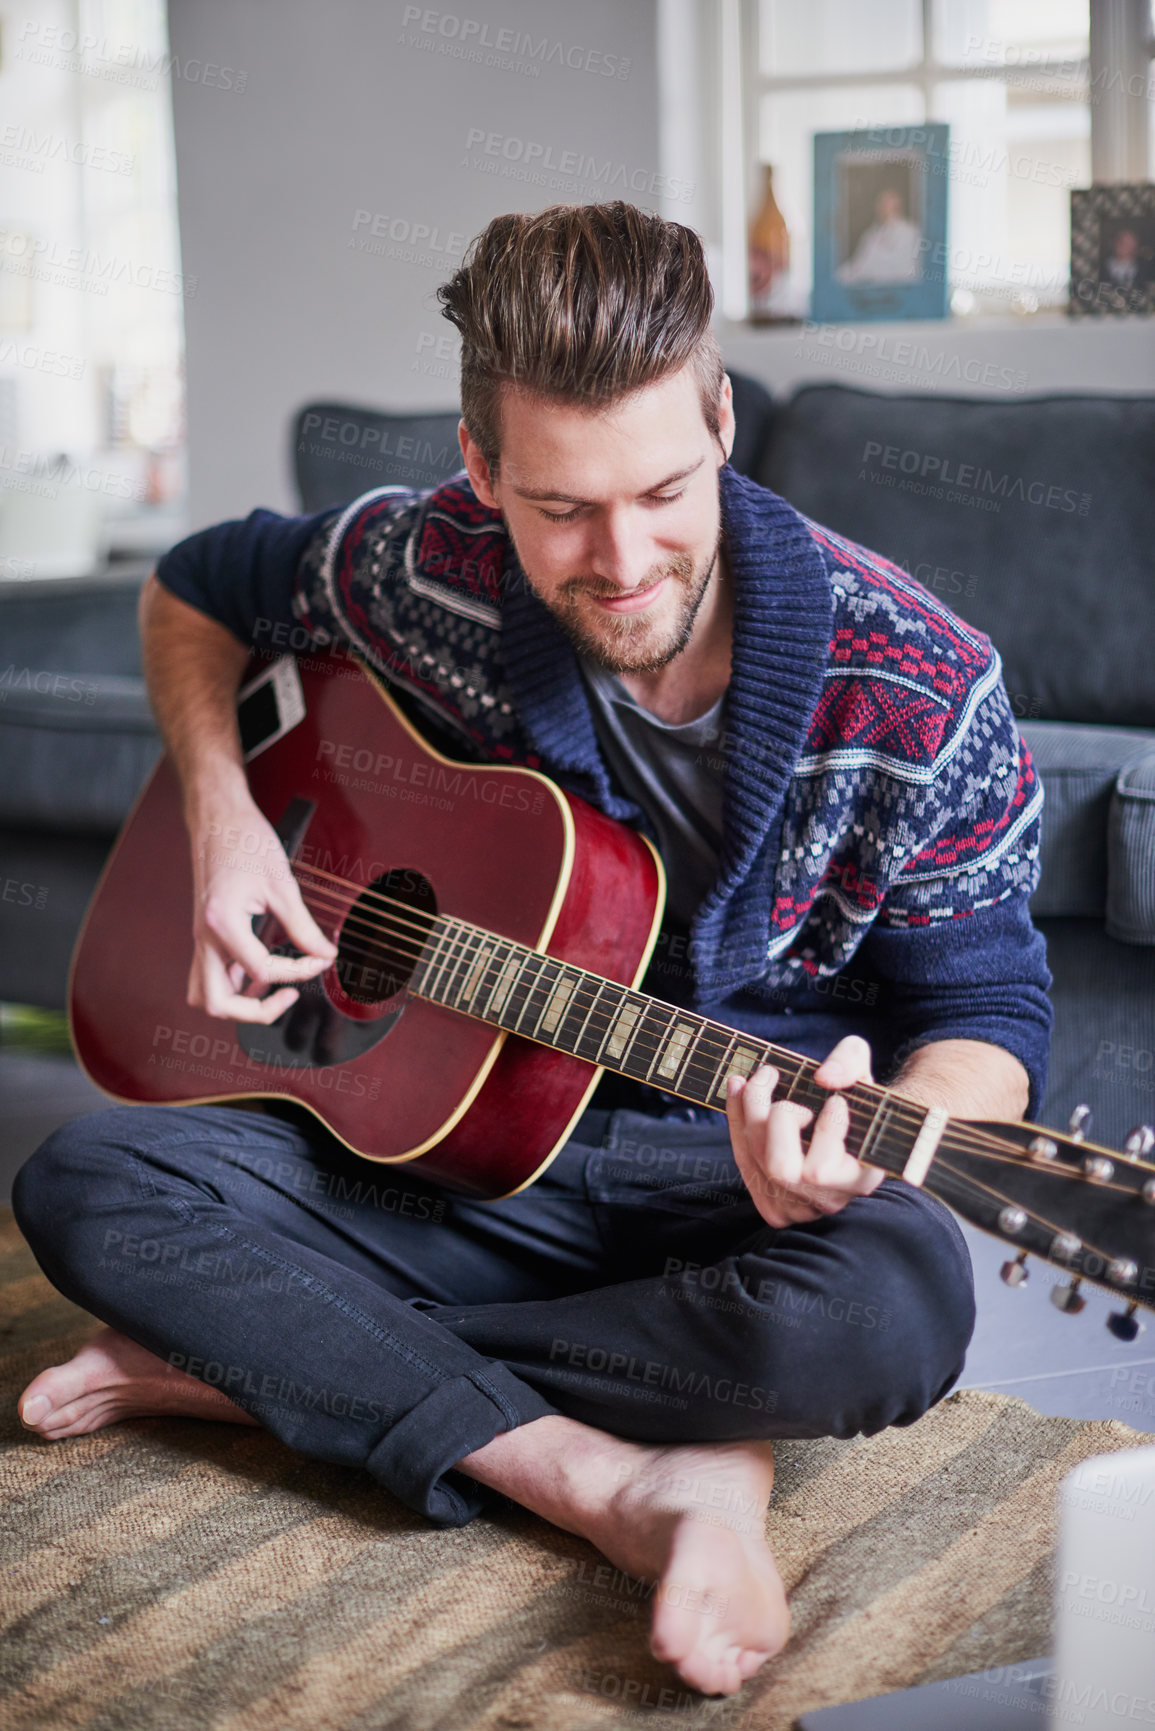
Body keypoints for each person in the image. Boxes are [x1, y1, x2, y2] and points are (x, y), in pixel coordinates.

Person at [13, 202, 1051, 1699]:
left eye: (663, 489)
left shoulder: (916, 683)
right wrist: (226, 812)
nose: (620, 559)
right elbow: (196, 584)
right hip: (456, 1160)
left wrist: (869, 1153)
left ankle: (280, 1361)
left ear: (720, 416)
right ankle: (629, 1479)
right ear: (480, 467)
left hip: (727, 1186)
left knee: (889, 1317)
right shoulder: (421, 561)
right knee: (90, 1182)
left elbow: (984, 1012)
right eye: (559, 506)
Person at [836, 185, 922, 284]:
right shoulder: (871, 234)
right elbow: (858, 264)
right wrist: (837, 277)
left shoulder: (909, 231)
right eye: (880, 202)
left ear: (898, 204)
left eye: (887, 202)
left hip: (898, 291)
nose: (882, 206)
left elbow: (903, 269)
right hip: (866, 288)